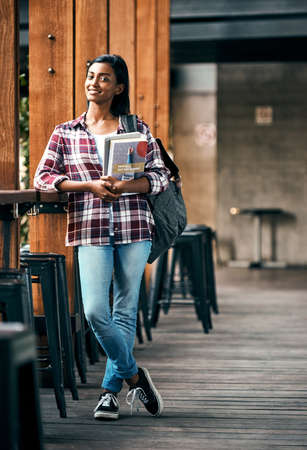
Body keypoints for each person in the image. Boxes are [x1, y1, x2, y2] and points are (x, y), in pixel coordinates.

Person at [34, 54, 170, 420]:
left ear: (118, 87)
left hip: (134, 225)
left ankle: (109, 394)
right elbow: (42, 178)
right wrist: (88, 186)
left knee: (125, 311)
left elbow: (159, 177)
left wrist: (125, 185)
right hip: (89, 225)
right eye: (91, 76)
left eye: (104, 78)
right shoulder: (66, 132)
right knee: (95, 310)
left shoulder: (135, 128)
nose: (94, 82)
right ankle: (135, 376)